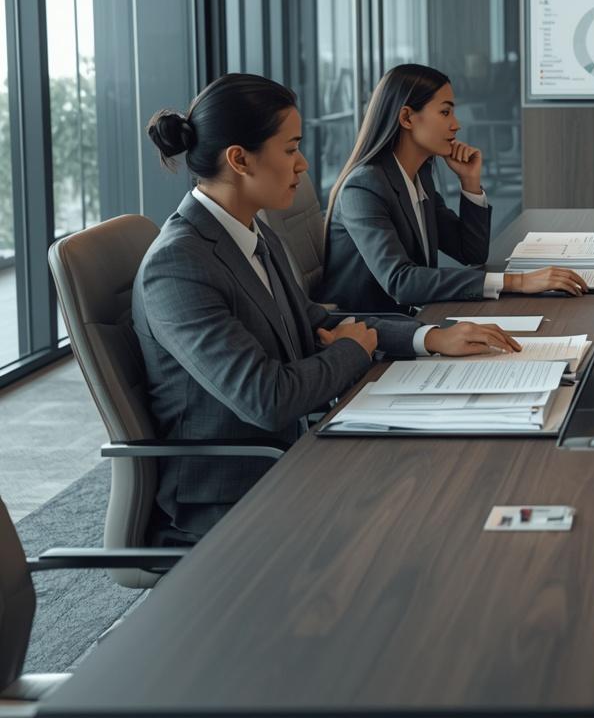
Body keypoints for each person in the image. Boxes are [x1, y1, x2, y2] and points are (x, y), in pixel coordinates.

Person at [136, 74, 523, 543]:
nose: (302, 165)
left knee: (456, 475)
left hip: (298, 449)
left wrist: (429, 338)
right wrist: (352, 352)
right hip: (236, 492)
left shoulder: (253, 233)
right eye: (290, 149)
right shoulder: (178, 263)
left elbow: (315, 320)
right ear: (239, 159)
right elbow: (267, 399)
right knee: (433, 504)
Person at [320, 64, 586, 313]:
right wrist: (516, 281)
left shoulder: (418, 177)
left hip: (417, 319)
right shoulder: (364, 187)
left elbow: (470, 252)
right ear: (407, 118)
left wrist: (469, 183)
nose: (456, 125)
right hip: (372, 338)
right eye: (445, 112)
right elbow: (400, 282)